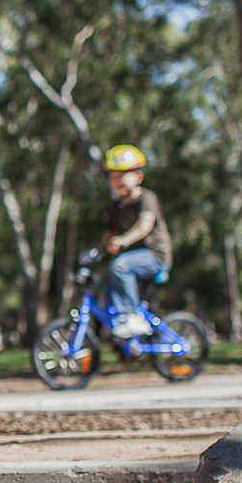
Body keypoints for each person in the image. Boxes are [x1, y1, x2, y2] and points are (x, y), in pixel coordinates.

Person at [99, 144, 172, 339]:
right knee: (104, 277)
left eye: (122, 175)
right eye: (113, 176)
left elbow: (144, 226)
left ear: (138, 177)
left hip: (154, 256)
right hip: (132, 258)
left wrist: (122, 241)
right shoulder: (115, 206)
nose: (117, 180)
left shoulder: (147, 198)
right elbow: (109, 233)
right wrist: (100, 248)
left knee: (119, 266)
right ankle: (121, 327)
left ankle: (131, 316)